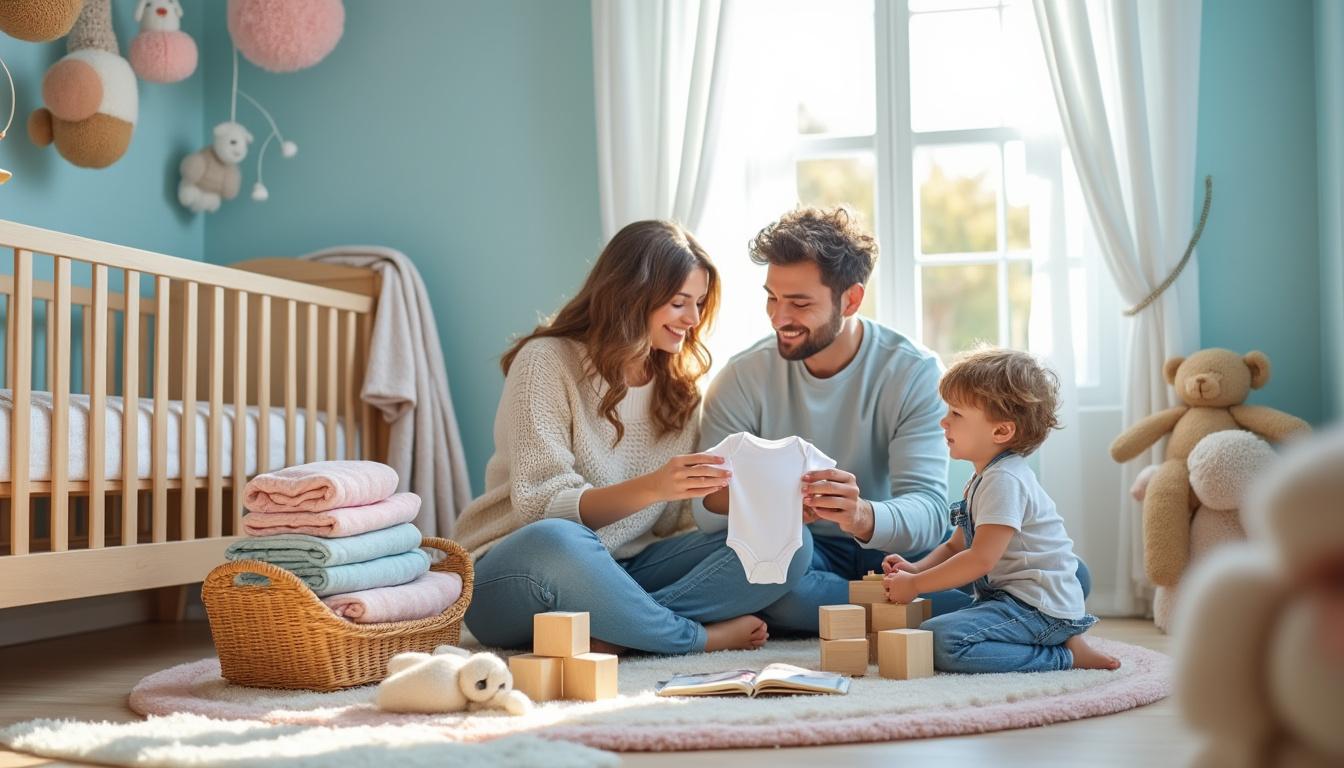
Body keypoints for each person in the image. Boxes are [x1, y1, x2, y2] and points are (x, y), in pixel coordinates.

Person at [696, 206, 1090, 632]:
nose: (779, 317)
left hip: (889, 544)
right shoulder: (741, 377)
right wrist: (783, 503)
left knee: (1067, 575)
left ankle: (860, 607)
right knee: (784, 577)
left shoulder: (912, 371)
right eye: (771, 297)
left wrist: (862, 515)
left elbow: (928, 508)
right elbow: (705, 513)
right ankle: (935, 609)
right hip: (802, 551)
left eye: (799, 303)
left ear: (851, 299)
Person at [457, 220, 814, 655]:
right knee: (561, 540)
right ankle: (687, 637)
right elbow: (541, 506)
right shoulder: (545, 363)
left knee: (788, 544)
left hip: (627, 572)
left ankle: (621, 632)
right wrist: (653, 487)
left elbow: (675, 524)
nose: (694, 319)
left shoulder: (677, 391)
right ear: (631, 295)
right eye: (680, 302)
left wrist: (758, 501)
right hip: (520, 571)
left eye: (699, 303)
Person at [883, 347, 1119, 672]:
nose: (944, 421)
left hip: (1036, 607)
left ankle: (1064, 655)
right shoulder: (984, 477)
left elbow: (980, 559)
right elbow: (956, 545)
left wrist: (916, 586)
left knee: (939, 640)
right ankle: (1063, 640)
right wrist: (915, 570)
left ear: (1001, 431)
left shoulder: (1004, 480)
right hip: (1015, 597)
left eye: (956, 414)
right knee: (937, 627)